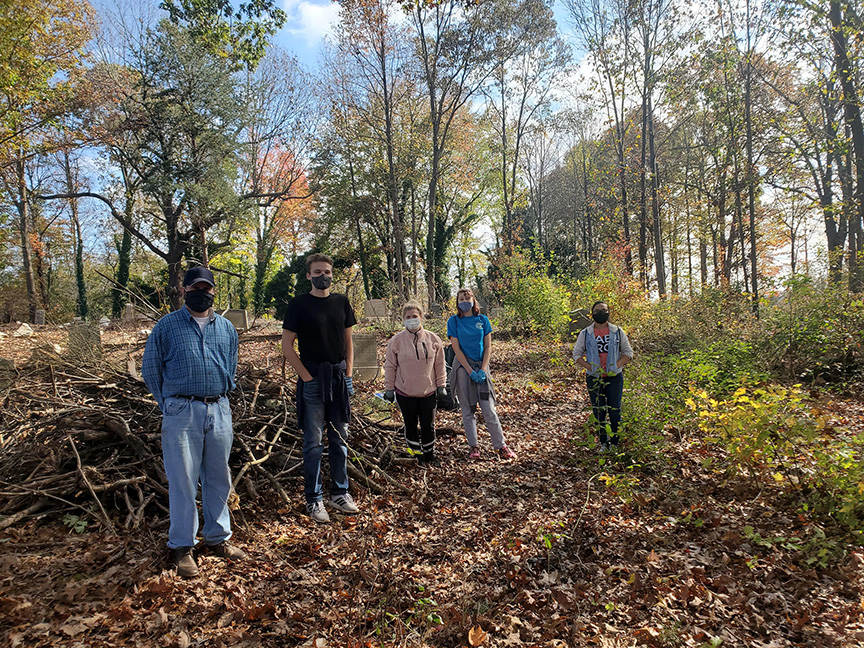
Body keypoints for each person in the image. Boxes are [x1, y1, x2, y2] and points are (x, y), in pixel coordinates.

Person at [142, 266, 247, 579]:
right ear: (184, 291)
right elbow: (151, 369)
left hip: (219, 409)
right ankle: (182, 546)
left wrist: (219, 398)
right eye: (195, 289)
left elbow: (230, 366)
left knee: (218, 477)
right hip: (181, 410)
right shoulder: (167, 326)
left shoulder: (226, 328)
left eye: (207, 288)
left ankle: (218, 538)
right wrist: (169, 404)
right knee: (183, 479)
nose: (202, 294)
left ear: (214, 291)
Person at [282, 253, 360, 524]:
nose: (322, 276)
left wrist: (349, 375)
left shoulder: (341, 302)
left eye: (326, 271)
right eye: (317, 272)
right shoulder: (298, 304)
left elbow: (349, 342)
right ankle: (314, 499)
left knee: (340, 438)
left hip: (338, 378)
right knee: (313, 443)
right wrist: (306, 377)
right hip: (313, 378)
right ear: (308, 275)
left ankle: (340, 493)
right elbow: (286, 346)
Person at [447, 288, 517, 461]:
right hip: (463, 369)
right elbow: (456, 349)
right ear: (457, 302)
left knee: (489, 409)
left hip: (482, 368)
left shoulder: (483, 320)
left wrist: (483, 369)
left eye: (467, 297)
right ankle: (474, 446)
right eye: (461, 298)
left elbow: (488, 347)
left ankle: (501, 446)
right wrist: (470, 371)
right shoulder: (454, 322)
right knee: (468, 409)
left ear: (473, 299)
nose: (465, 300)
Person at [383, 301, 447, 466]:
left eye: (414, 316)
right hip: (405, 392)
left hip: (428, 391)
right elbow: (390, 366)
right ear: (403, 319)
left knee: (428, 425)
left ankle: (429, 454)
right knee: (410, 425)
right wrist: (389, 388)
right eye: (408, 317)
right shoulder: (396, 342)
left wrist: (441, 385)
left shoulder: (434, 339)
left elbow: (440, 364)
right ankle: (414, 454)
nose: (411, 320)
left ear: (421, 317)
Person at [572, 301, 634, 451]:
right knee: (599, 411)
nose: (601, 313)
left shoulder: (617, 331)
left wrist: (615, 366)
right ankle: (603, 443)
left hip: (615, 378)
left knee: (614, 410)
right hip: (594, 378)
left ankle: (614, 443)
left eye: (604, 310)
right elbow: (576, 354)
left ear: (609, 312)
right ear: (592, 314)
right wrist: (591, 368)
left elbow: (628, 353)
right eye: (597, 311)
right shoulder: (585, 333)